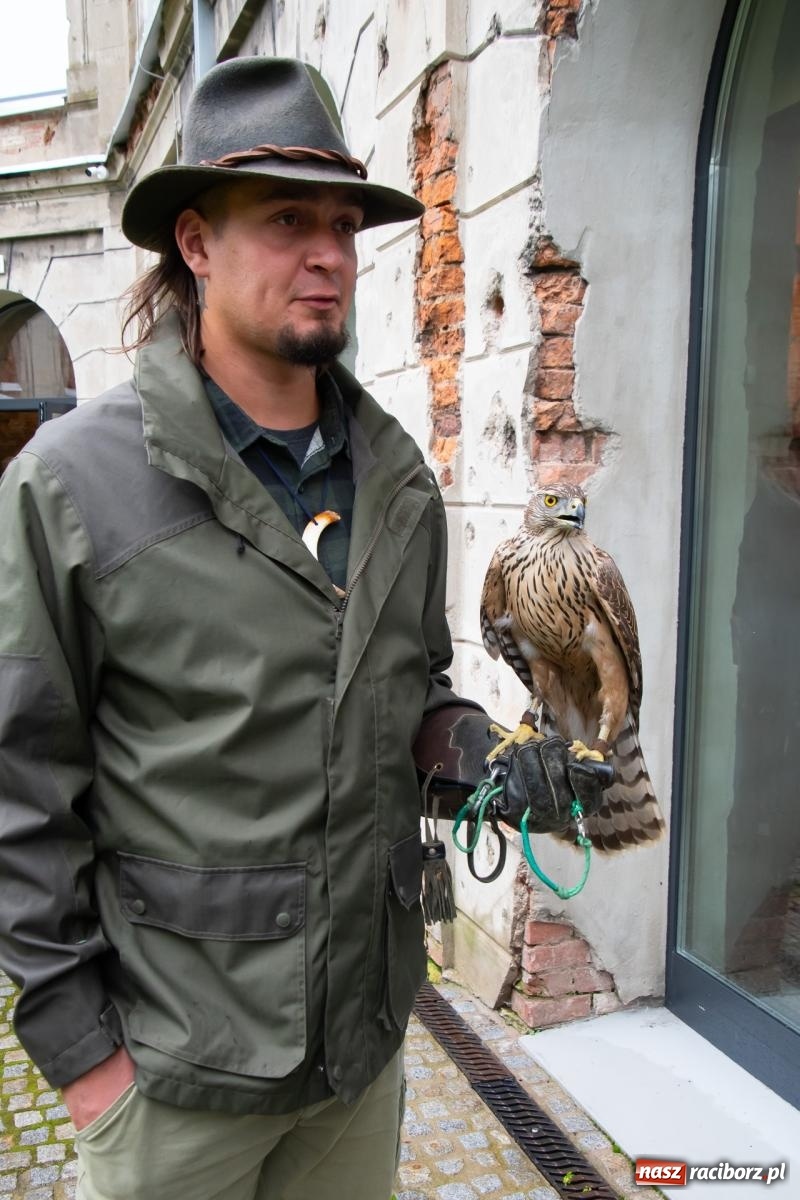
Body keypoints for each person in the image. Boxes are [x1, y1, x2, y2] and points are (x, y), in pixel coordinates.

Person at [0, 57, 608, 1200]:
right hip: (173, 1077)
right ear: (193, 243)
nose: (328, 252)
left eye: (340, 221)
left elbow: (406, 694)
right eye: (286, 218)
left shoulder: (396, 480)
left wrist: (475, 756)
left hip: (357, 1052)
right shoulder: (70, 486)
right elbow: (19, 783)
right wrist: (86, 1057)